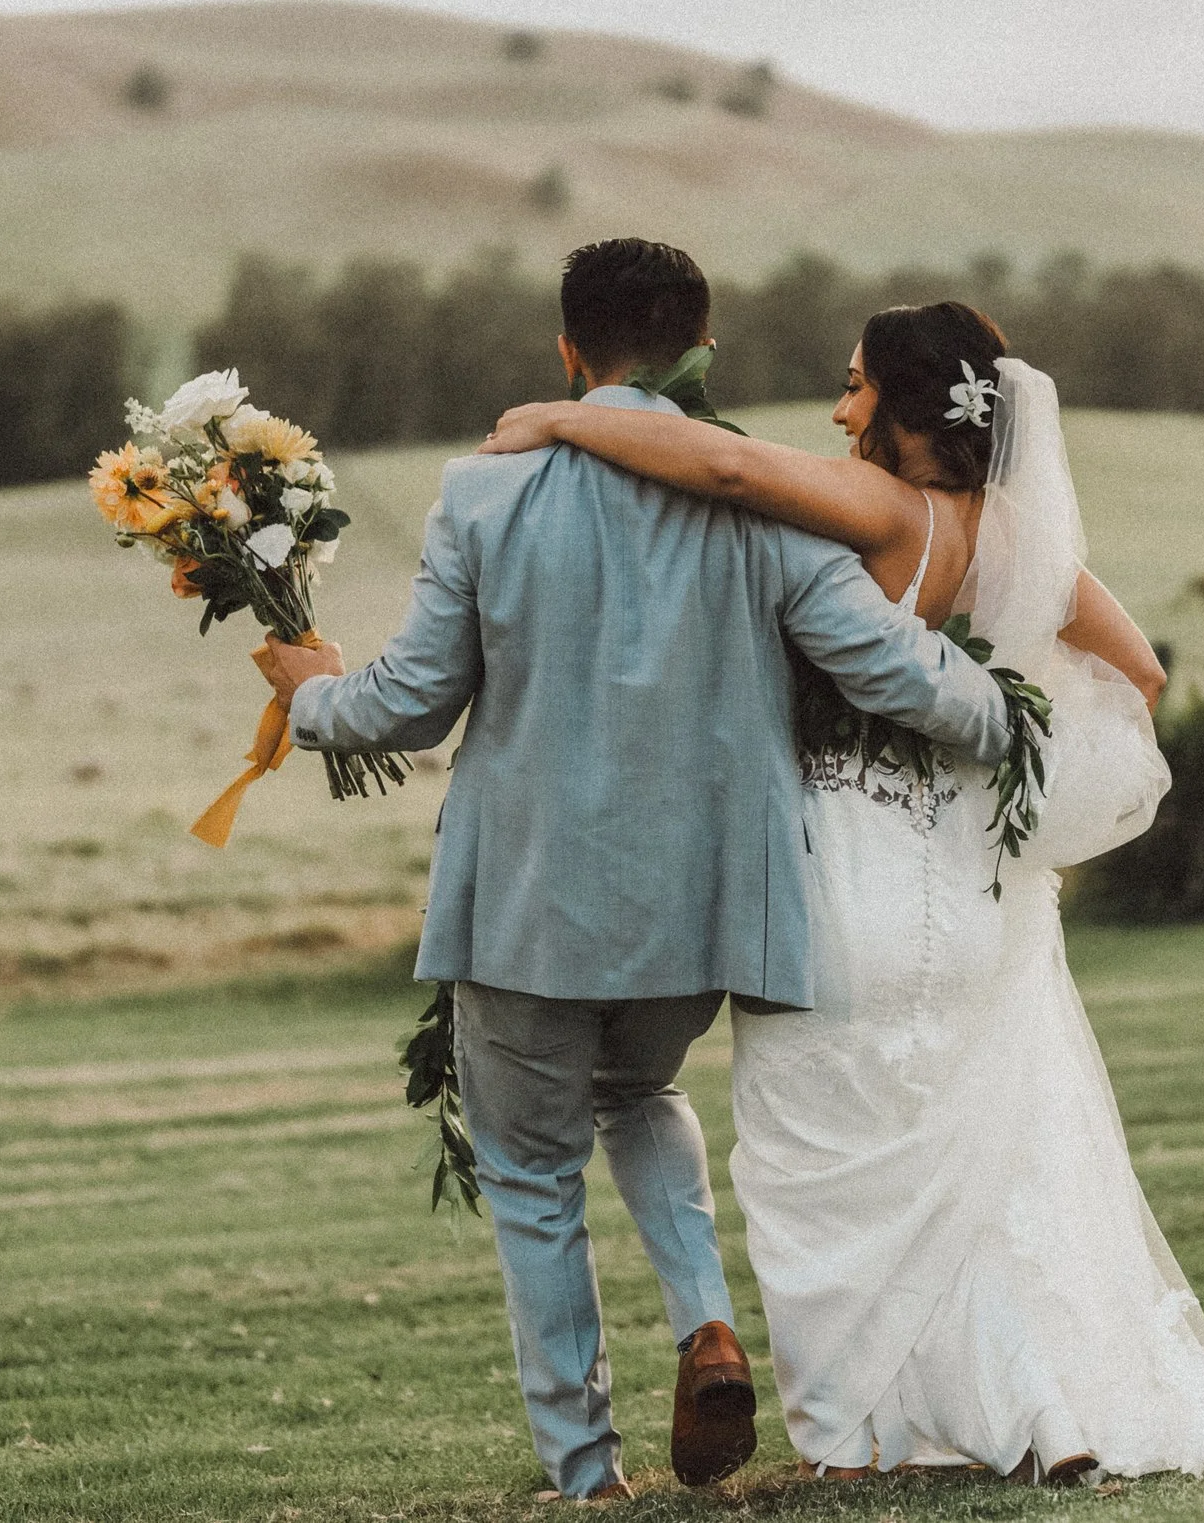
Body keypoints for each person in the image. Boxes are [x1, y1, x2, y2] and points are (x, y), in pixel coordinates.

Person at [250, 242, 1013, 1503]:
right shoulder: (767, 503)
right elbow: (889, 669)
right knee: (640, 1086)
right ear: (699, 349)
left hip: (527, 902)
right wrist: (1016, 719)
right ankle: (706, 1319)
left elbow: (409, 704)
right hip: (704, 907)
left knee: (535, 1171)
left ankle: (586, 1470)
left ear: (568, 352)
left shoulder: (482, 495)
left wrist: (308, 691)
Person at [480, 302, 1204, 1484]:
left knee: (816, 1156)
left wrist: (559, 416)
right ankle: (1044, 1411)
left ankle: (859, 1437)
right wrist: (1006, 750)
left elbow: (726, 461)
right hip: (973, 889)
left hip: (838, 877)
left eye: (853, 389)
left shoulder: (886, 510)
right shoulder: (1021, 541)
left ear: (904, 406)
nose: (838, 412)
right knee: (964, 1163)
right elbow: (1139, 673)